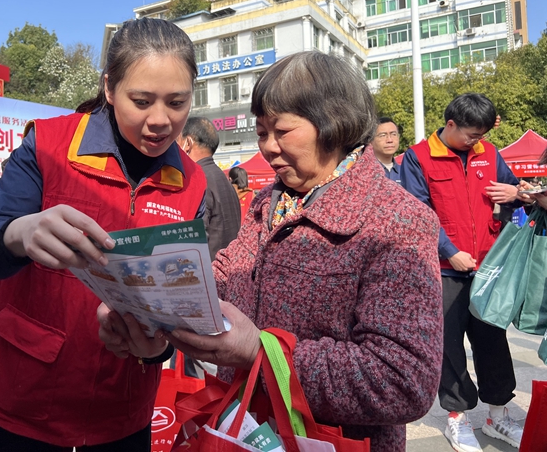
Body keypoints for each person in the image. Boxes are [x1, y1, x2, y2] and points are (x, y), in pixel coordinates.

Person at [98, 51, 444, 452]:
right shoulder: (270, 203)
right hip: (245, 431)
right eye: (262, 133)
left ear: (334, 123)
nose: (267, 148)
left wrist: (261, 353)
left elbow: (404, 380)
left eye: (281, 131)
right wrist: (147, 301)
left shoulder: (397, 220)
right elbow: (225, 275)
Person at [0, 17, 207, 451]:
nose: (160, 120)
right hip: (25, 398)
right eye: (141, 101)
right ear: (109, 88)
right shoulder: (47, 146)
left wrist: (157, 348)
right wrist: (19, 233)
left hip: (123, 407)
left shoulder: (193, 182)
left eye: (177, 102)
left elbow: (182, 301)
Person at [400, 93, 526, 452]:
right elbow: (418, 212)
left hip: (488, 268)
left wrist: (515, 192)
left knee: (493, 341)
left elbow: (515, 192)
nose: (476, 141)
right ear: (451, 124)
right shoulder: (419, 157)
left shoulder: (489, 153)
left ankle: (498, 415)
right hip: (445, 271)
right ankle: (457, 417)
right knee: (450, 345)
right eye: (471, 135)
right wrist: (450, 252)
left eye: (481, 135)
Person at [178, 116, 241, 259]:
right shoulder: (222, 178)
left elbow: (197, 237)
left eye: (177, 142)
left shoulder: (198, 180)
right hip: (229, 264)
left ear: (188, 143)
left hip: (210, 267)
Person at [371, 116, 401, 182]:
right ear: (370, 141)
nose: (389, 140)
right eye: (383, 135)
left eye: (393, 134)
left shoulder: (406, 172)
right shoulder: (364, 172)